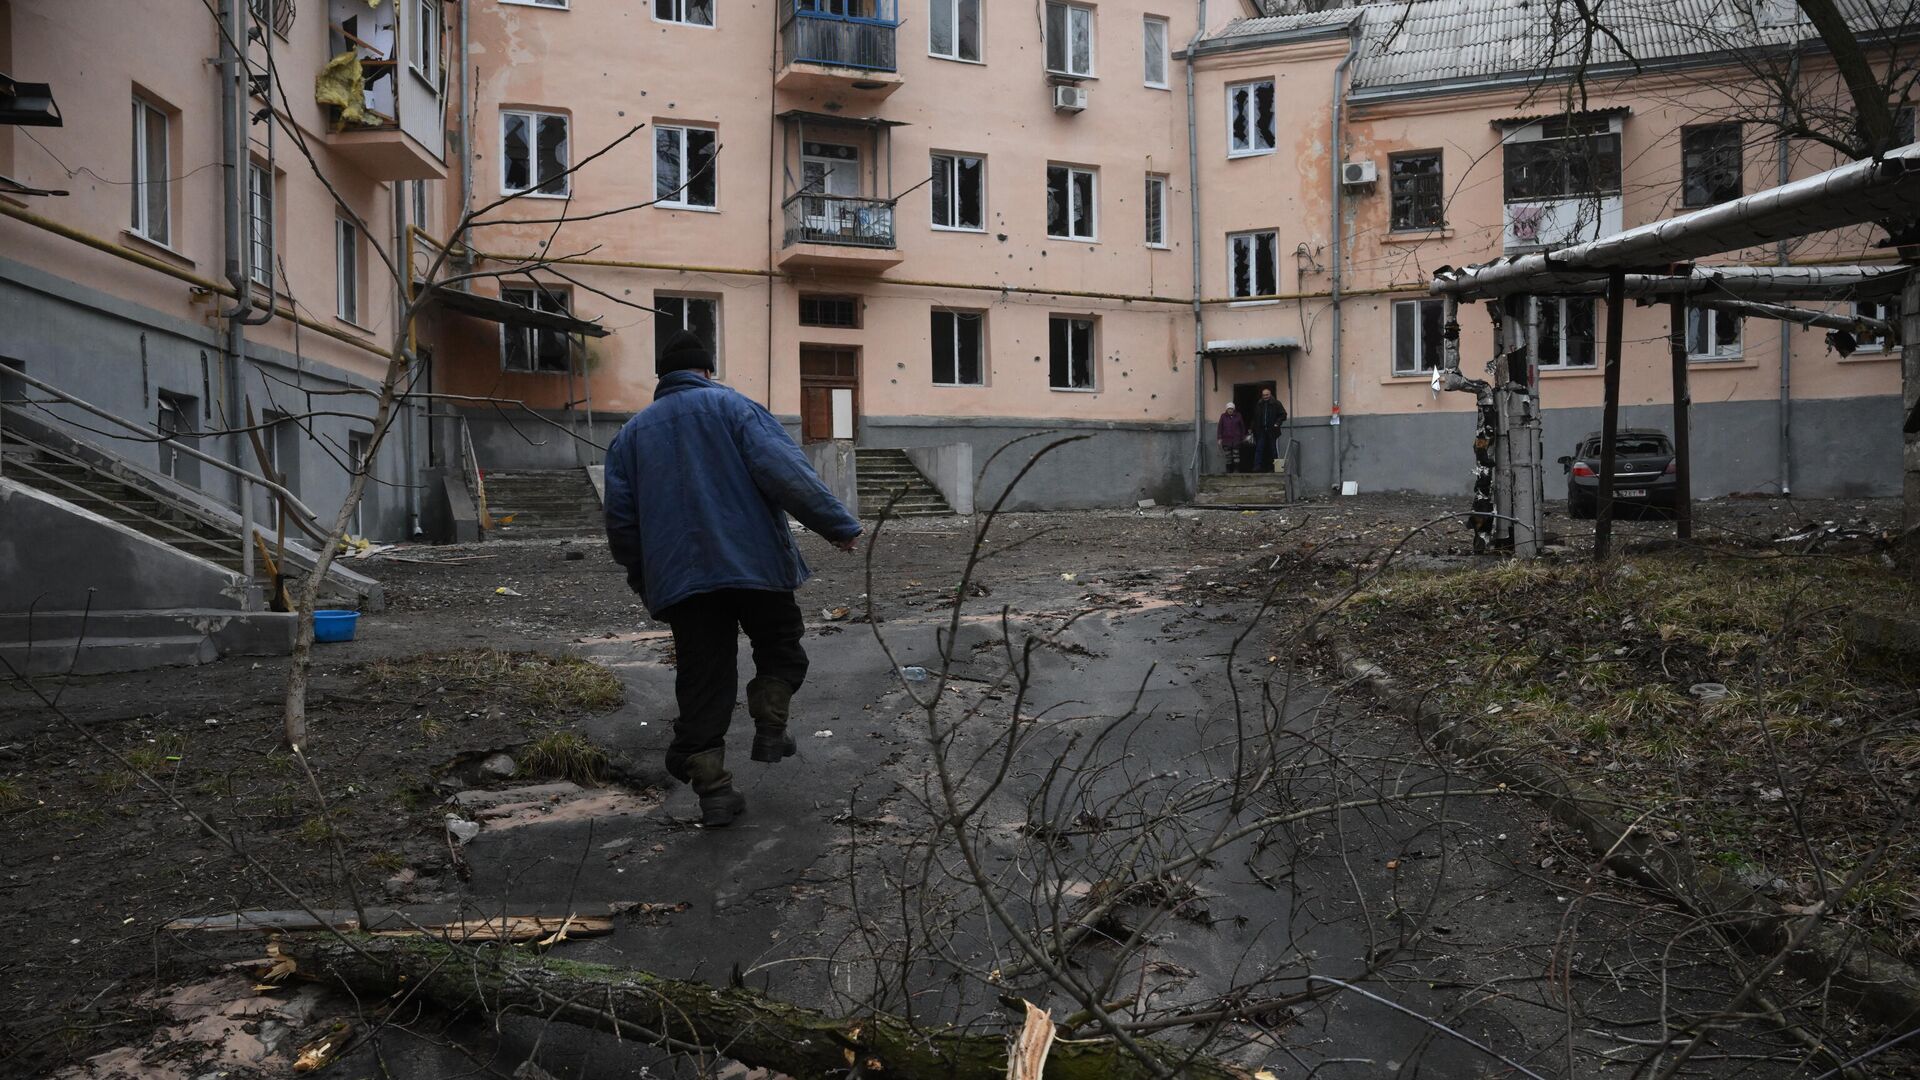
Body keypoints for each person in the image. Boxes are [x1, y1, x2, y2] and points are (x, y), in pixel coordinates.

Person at [604, 329, 862, 827]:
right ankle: (769, 724)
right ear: (705, 371)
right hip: (755, 564)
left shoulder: (631, 435)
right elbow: (785, 471)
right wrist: (838, 526)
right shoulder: (735, 408)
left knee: (704, 676)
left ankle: (713, 790)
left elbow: (620, 520)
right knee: (780, 645)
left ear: (664, 379)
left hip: (681, 578)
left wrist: (645, 576)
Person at [1251, 387, 1287, 473]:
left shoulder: (1276, 403)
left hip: (1272, 430)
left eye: (1267, 395)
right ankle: (1257, 466)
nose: (1265, 397)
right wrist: (1252, 428)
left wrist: (1277, 423)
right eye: (1263, 395)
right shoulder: (1259, 404)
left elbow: (1283, 415)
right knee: (1259, 448)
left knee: (1273, 449)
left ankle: (1276, 468)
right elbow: (1255, 417)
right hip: (1262, 430)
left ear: (1270, 394)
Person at [1216, 402, 1249, 474]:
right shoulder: (1223, 416)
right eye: (1228, 409)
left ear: (1234, 409)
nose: (1230, 410)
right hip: (1226, 439)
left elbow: (1242, 427)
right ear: (1226, 409)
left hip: (1236, 439)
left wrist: (1243, 436)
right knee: (1228, 456)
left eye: (1231, 409)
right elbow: (1220, 427)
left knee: (1236, 455)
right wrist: (1219, 438)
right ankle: (1228, 470)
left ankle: (1236, 469)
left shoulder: (1238, 416)